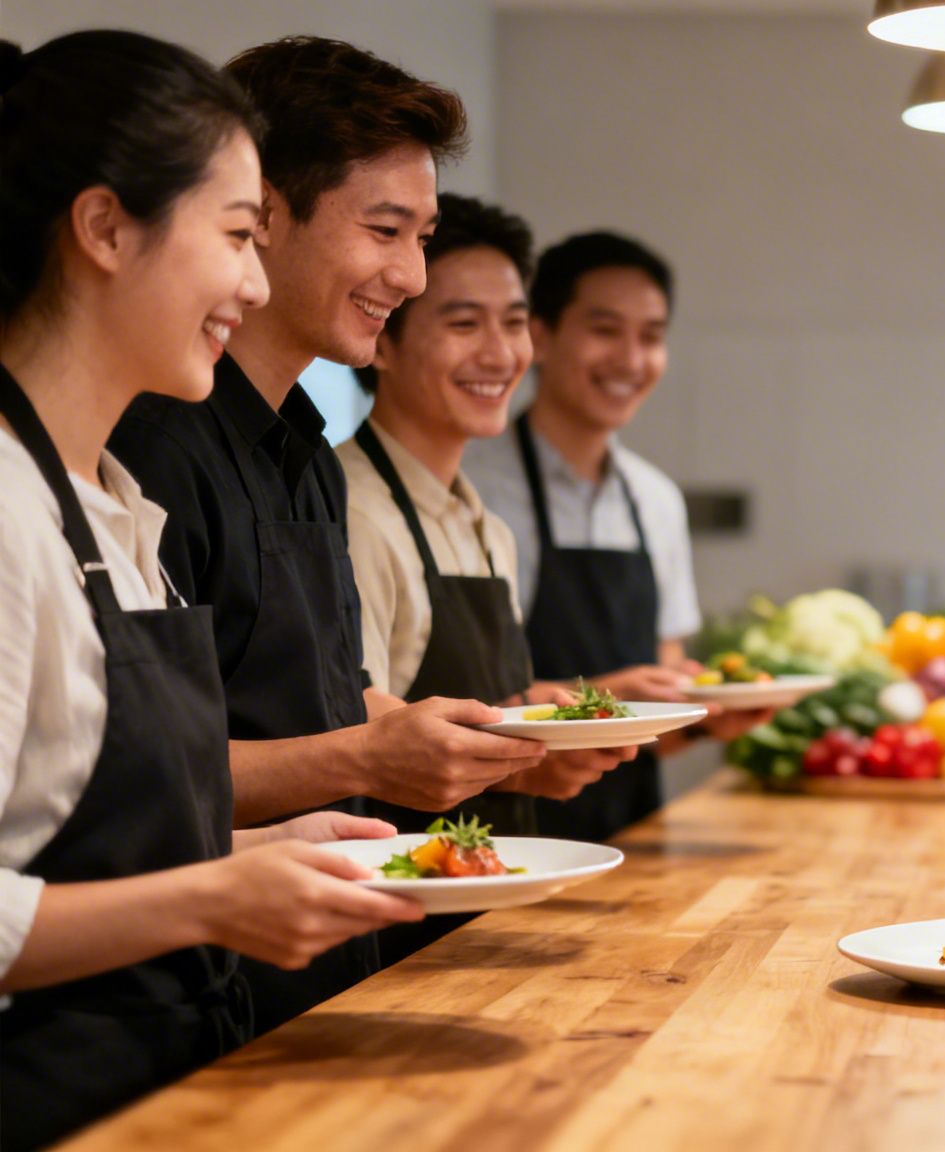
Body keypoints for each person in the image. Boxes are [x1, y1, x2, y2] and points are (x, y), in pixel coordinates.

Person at [0, 32, 419, 1148]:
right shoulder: (6, 508)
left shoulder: (113, 500)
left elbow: (75, 841)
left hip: (182, 1083)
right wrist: (212, 893)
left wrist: (250, 854)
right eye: (236, 235)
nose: (251, 277)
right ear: (103, 229)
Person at [105, 36, 553, 1033]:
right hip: (213, 987)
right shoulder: (152, 446)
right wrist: (367, 754)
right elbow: (152, 773)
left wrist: (468, 735)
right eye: (385, 230)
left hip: (339, 962)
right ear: (261, 216)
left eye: (421, 234)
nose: (410, 272)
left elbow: (326, 687)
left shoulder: (308, 449)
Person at [341, 194, 633, 956]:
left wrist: (530, 756)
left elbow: (459, 729)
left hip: (487, 919)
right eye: (464, 323)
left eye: (513, 322)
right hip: (393, 933)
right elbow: (355, 747)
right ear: (384, 339)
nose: (501, 355)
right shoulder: (351, 510)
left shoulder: (484, 524)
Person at [468, 232, 766, 843]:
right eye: (606, 329)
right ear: (541, 336)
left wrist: (710, 720)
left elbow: (661, 704)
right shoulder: (475, 487)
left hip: (631, 837)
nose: (631, 360)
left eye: (651, 337)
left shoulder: (655, 499)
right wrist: (601, 700)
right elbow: (454, 708)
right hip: (506, 836)